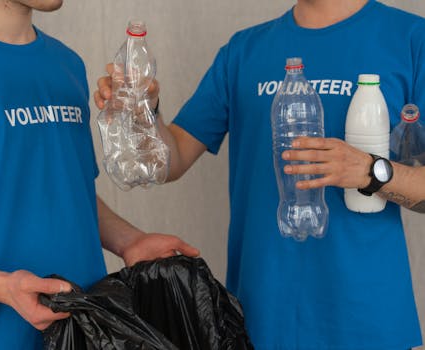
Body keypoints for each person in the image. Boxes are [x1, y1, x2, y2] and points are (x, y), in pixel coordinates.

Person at [95, 0, 425, 348]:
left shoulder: (410, 38)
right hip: (260, 317)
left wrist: (370, 171)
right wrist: (143, 112)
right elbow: (171, 160)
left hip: (368, 320)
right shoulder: (243, 51)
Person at [0, 1, 200, 349]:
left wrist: (129, 241)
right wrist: (0, 285)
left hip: (87, 335)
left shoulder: (66, 66)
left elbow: (66, 188)